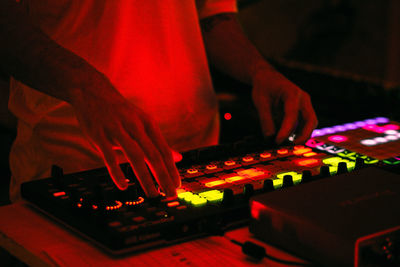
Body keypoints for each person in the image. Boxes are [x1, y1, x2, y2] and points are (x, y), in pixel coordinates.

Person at [0, 0, 318, 202]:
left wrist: (259, 70)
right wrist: (86, 87)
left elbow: (211, 13)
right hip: (76, 168)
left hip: (201, 167)